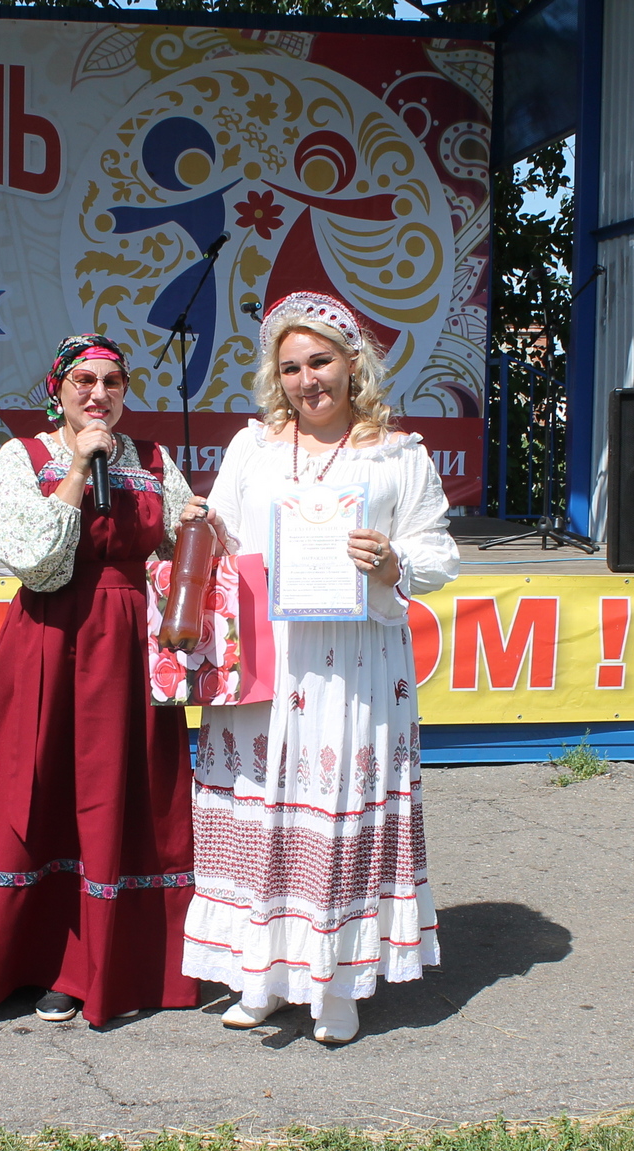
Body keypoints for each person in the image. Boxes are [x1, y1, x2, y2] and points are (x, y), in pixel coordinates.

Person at [181, 292, 460, 1044]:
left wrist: (394, 562)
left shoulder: (397, 456)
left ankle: (336, 980)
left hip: (353, 664)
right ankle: (261, 975)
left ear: (353, 363)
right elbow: (225, 534)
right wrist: (199, 522)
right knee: (261, 805)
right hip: (267, 658)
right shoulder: (253, 449)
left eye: (321, 361)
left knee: (336, 805)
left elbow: (439, 553)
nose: (308, 380)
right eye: (291, 367)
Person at [0, 334, 206, 1027]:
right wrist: (79, 467)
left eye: (112, 382)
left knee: (123, 796)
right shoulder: (23, 457)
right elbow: (37, 562)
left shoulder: (153, 460)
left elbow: (178, 550)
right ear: (57, 390)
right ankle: (25, 959)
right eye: (83, 380)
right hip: (48, 640)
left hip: (129, 648)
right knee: (36, 789)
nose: (98, 394)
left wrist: (197, 525)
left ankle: (103, 967)